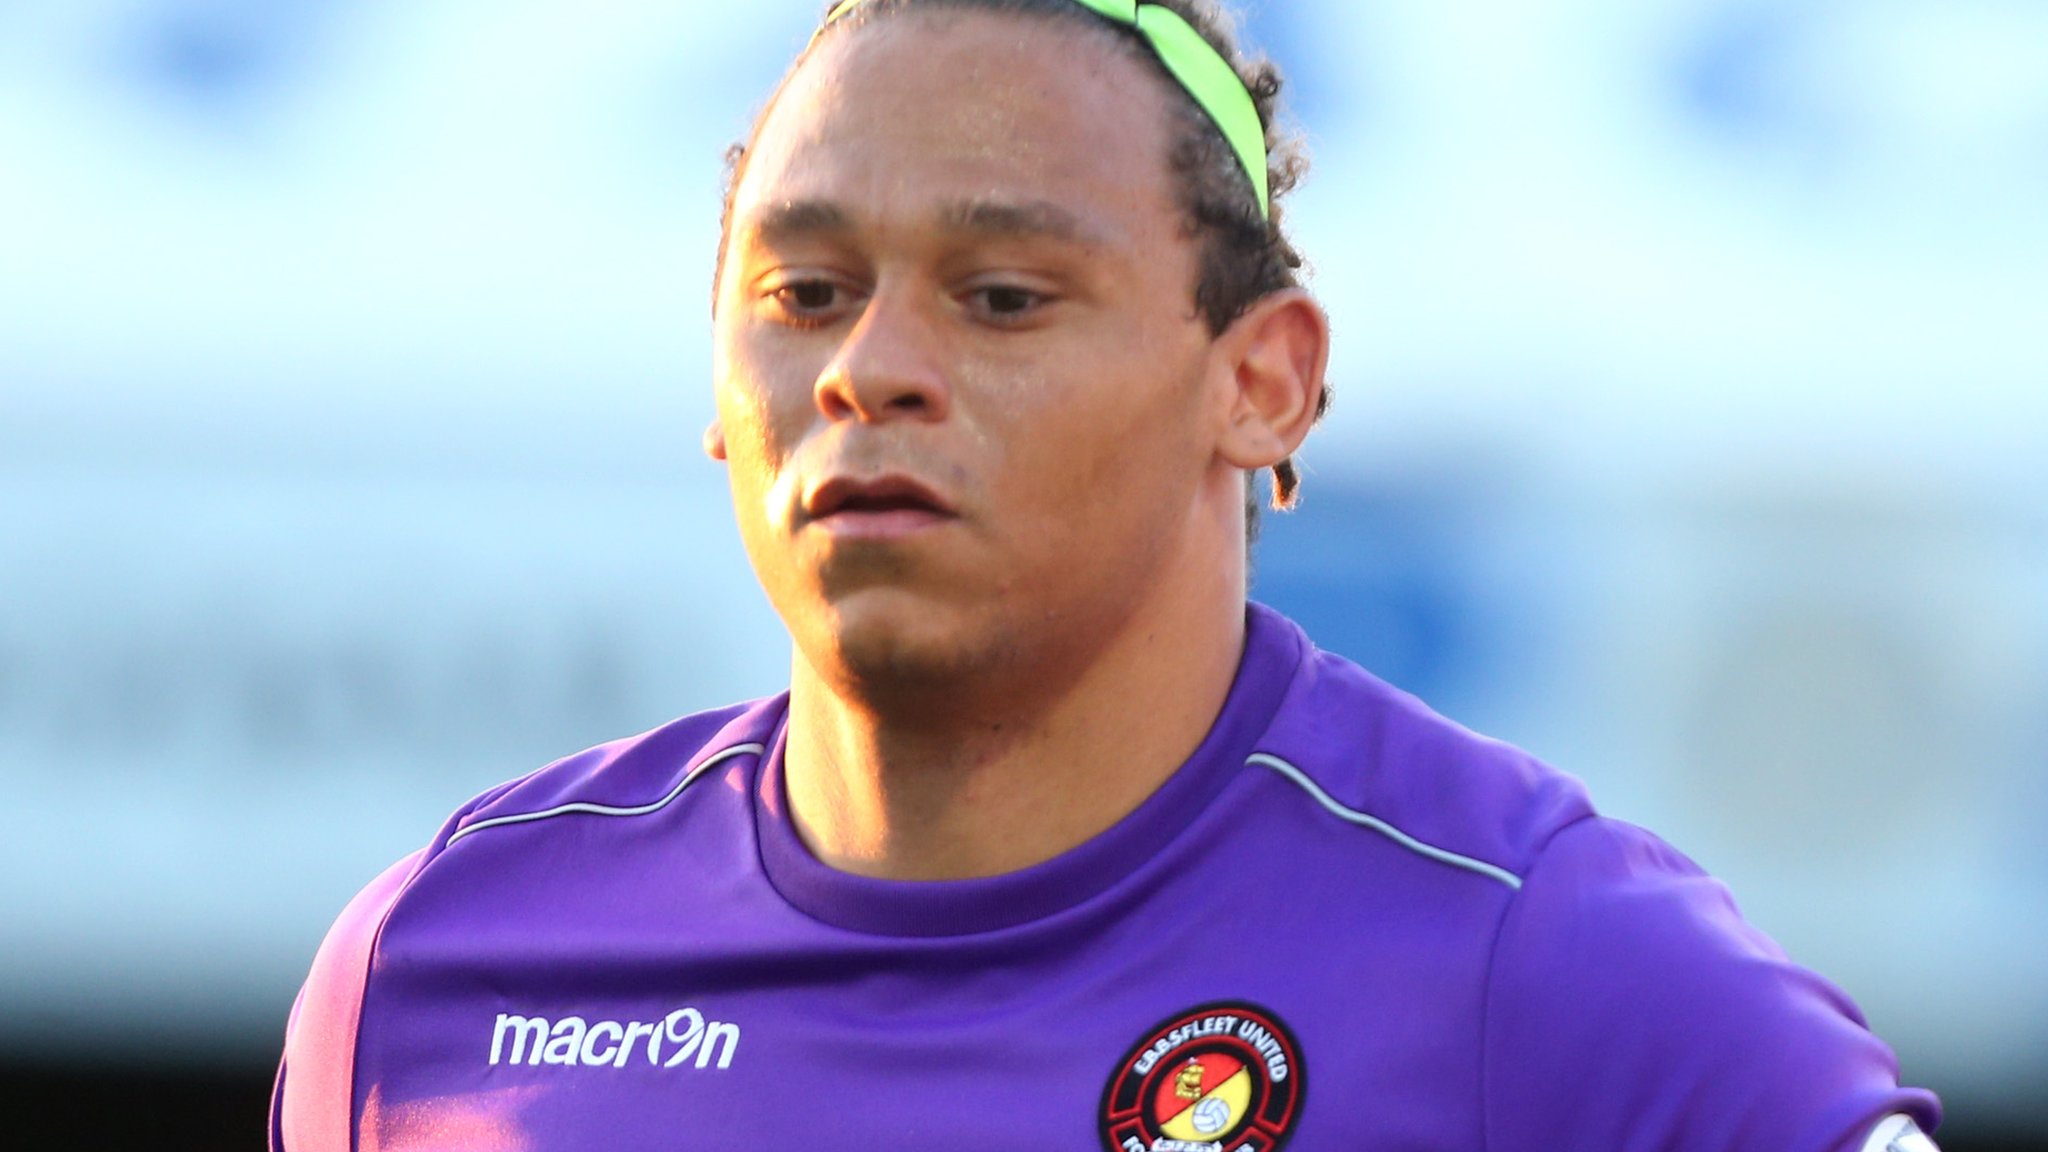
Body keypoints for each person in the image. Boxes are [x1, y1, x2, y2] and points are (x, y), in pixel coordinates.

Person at [271, 1, 1943, 1149]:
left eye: (1002, 297)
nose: (868, 371)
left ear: (1263, 380)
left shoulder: (1554, 971)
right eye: (803, 294)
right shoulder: (436, 974)